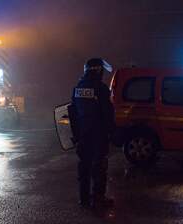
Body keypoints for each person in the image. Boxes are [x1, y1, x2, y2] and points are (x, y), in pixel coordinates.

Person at [71, 58, 115, 211]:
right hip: (99, 134)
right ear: (98, 70)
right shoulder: (101, 89)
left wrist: (76, 136)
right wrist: (112, 132)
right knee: (99, 167)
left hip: (83, 135)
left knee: (84, 166)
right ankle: (98, 199)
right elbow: (108, 113)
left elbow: (73, 114)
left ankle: (83, 199)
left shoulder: (77, 88)